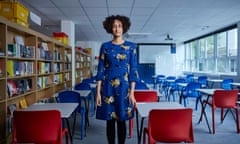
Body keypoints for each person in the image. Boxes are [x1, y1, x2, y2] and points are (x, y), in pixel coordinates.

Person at [95, 15, 139, 144]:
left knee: (122, 120)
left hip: (124, 88)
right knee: (110, 122)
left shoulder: (131, 47)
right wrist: (98, 92)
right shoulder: (105, 46)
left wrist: (132, 93)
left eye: (120, 26)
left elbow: (133, 71)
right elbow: (100, 70)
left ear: (124, 28)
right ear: (110, 28)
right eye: (114, 26)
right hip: (108, 87)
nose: (117, 29)